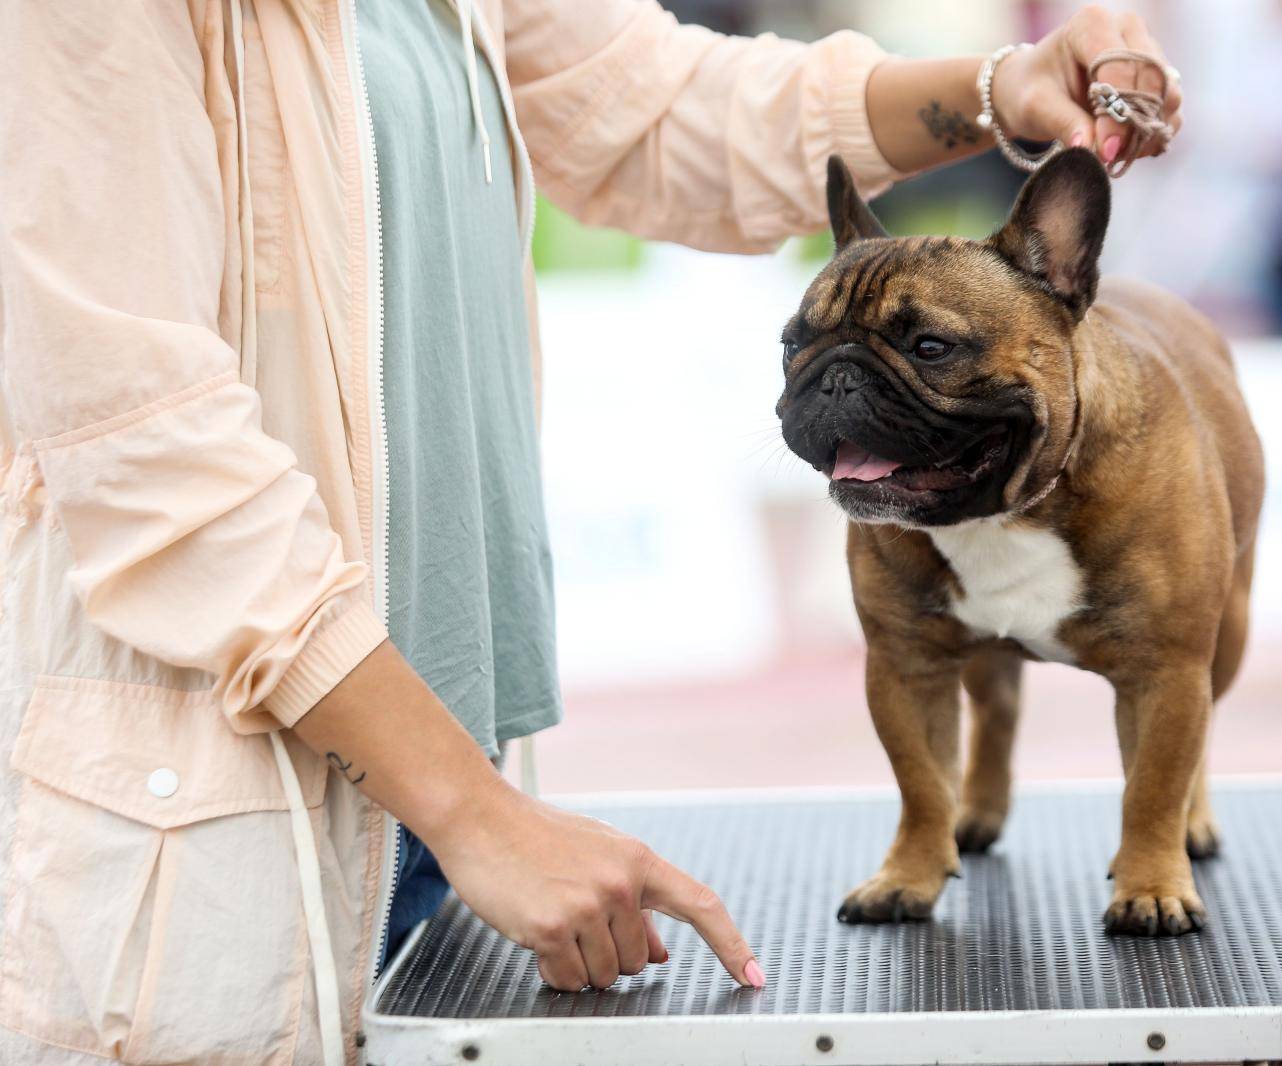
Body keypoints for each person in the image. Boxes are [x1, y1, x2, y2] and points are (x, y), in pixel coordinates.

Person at [0, 1, 1181, 1061]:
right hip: (228, 810)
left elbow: (653, 108)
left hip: (445, 764)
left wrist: (996, 88)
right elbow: (148, 454)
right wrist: (472, 810)